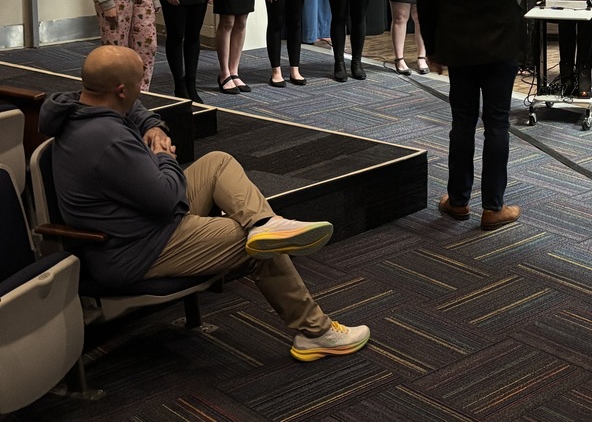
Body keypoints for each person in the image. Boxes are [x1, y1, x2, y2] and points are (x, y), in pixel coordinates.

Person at [39, 45, 370, 361]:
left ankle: (263, 222)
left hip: (139, 226)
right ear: (122, 90)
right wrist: (163, 156)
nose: (144, 89)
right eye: (141, 82)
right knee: (254, 244)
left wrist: (153, 127)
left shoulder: (79, 105)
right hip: (136, 250)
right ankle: (315, 332)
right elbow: (165, 197)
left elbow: (135, 111)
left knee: (218, 162)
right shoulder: (107, 140)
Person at [417, 0, 540, 231]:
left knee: (462, 123)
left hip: (458, 48)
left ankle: (457, 201)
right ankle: (493, 208)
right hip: (502, 46)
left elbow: (426, 4)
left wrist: (435, 49)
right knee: (497, 123)